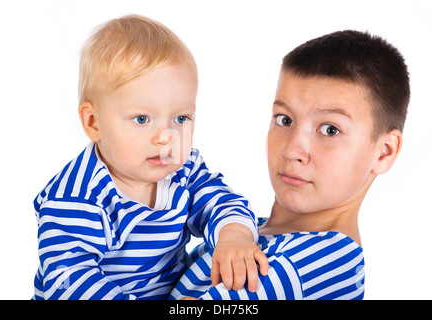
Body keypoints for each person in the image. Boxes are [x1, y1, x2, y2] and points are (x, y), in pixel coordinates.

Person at [32, 14, 268, 300]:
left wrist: (234, 234)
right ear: (94, 123)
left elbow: (220, 200)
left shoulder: (183, 169)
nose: (166, 137)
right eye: (142, 119)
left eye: (181, 118)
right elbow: (70, 283)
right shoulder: (76, 198)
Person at [170, 30, 410, 300]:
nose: (292, 149)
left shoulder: (328, 262)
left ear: (384, 152)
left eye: (330, 130)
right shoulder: (246, 228)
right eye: (284, 120)